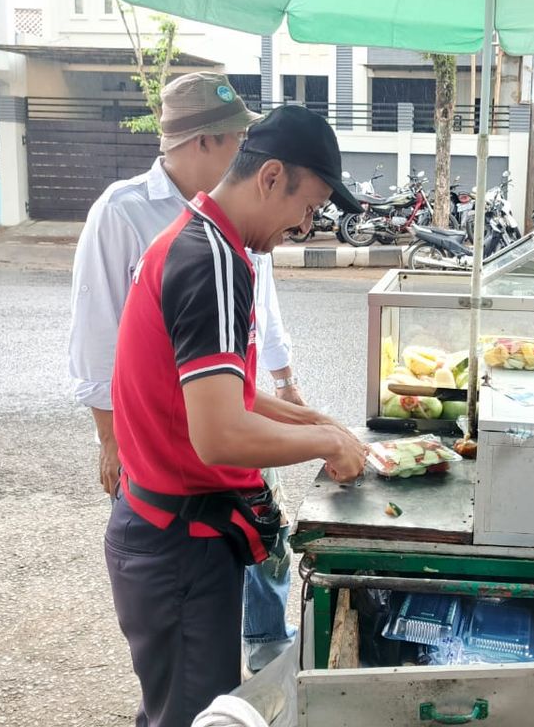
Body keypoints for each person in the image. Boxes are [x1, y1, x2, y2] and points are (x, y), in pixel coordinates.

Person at [105, 104, 365, 727]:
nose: (304, 227)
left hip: (166, 539)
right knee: (194, 718)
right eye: (307, 208)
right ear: (271, 176)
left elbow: (233, 394)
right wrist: (325, 442)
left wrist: (318, 423)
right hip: (177, 550)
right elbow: (219, 433)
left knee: (178, 710)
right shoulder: (213, 259)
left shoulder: (199, 239)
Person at [66, 72, 301, 674]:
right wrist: (111, 437)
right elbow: (100, 334)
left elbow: (260, 311)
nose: (246, 154)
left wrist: (285, 383)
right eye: (236, 141)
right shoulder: (130, 213)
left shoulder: (238, 223)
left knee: (251, 533)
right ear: (202, 143)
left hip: (225, 423)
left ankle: (262, 638)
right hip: (175, 463)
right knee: (185, 656)